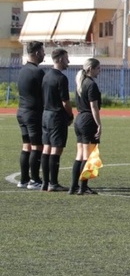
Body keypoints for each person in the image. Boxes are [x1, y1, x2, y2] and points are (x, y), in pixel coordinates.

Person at [39, 48, 74, 192]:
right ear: (59, 59)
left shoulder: (46, 76)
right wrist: (70, 115)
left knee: (46, 148)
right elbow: (65, 101)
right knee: (56, 149)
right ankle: (53, 183)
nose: (68, 61)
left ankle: (45, 183)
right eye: (66, 58)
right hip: (57, 116)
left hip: (46, 115)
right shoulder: (61, 78)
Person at [70, 57, 103, 195]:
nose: (99, 71)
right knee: (88, 156)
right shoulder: (91, 84)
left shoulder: (81, 82)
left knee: (79, 155)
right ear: (90, 69)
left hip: (79, 119)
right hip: (88, 120)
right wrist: (99, 124)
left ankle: (73, 186)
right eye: (98, 68)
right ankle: (83, 187)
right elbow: (94, 106)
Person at [16, 40, 46, 189]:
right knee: (37, 147)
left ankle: (24, 179)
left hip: (21, 112)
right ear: (37, 53)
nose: (44, 54)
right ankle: (35, 180)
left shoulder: (22, 70)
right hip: (33, 113)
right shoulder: (38, 72)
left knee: (26, 146)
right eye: (43, 52)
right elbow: (45, 93)